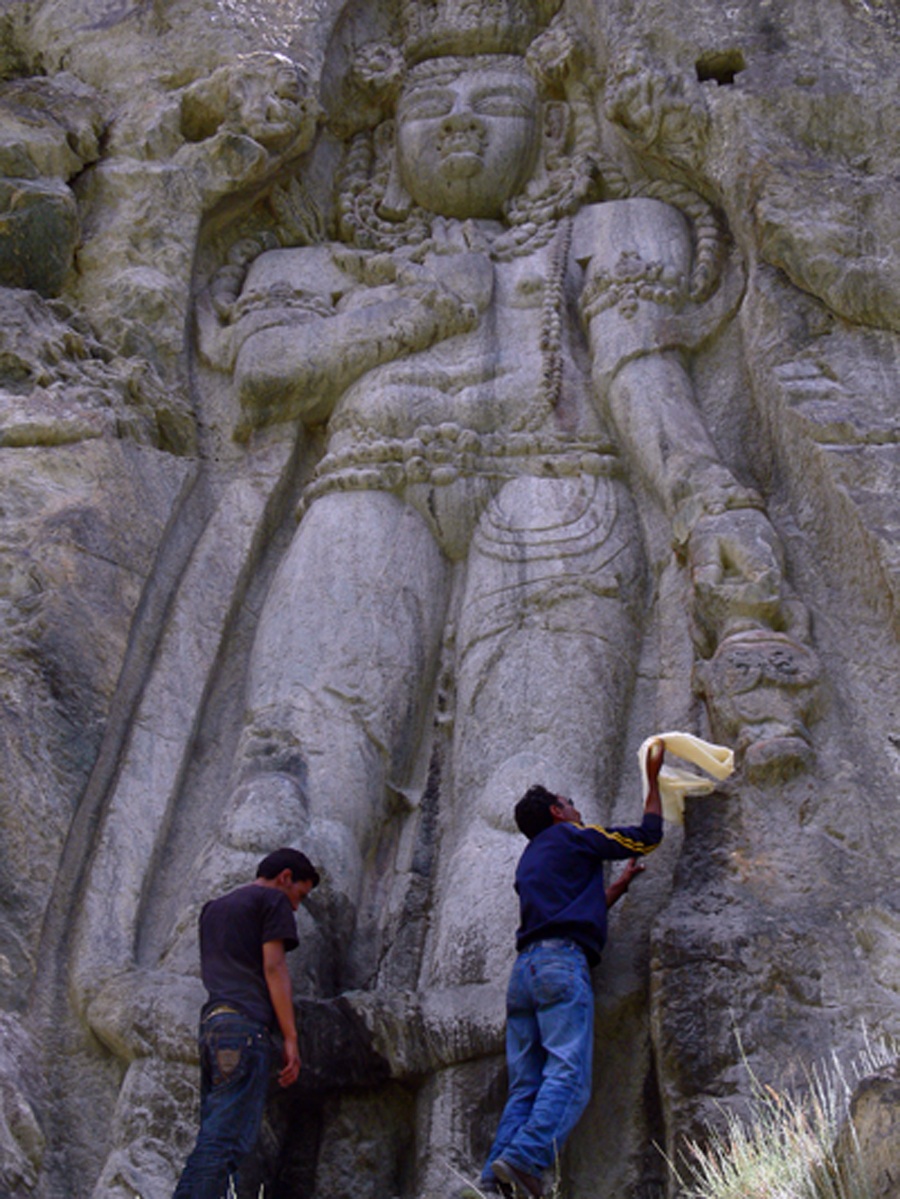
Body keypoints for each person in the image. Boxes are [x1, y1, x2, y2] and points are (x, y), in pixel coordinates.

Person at [463, 740, 666, 1199]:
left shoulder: (531, 859)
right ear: (557, 810)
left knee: (526, 1085)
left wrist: (617, 887)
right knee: (569, 1075)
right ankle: (526, 1159)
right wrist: (653, 779)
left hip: (526, 973)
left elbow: (570, 909)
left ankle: (493, 1183)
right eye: (571, 803)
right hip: (561, 965)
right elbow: (647, 836)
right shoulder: (575, 837)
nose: (577, 809)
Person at [172, 846, 320, 1199]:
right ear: (285, 878)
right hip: (245, 1029)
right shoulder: (272, 902)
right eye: (299, 895)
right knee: (227, 1142)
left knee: (212, 1135)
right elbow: (274, 967)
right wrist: (291, 1037)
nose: (296, 907)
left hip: (212, 1027)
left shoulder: (214, 909)